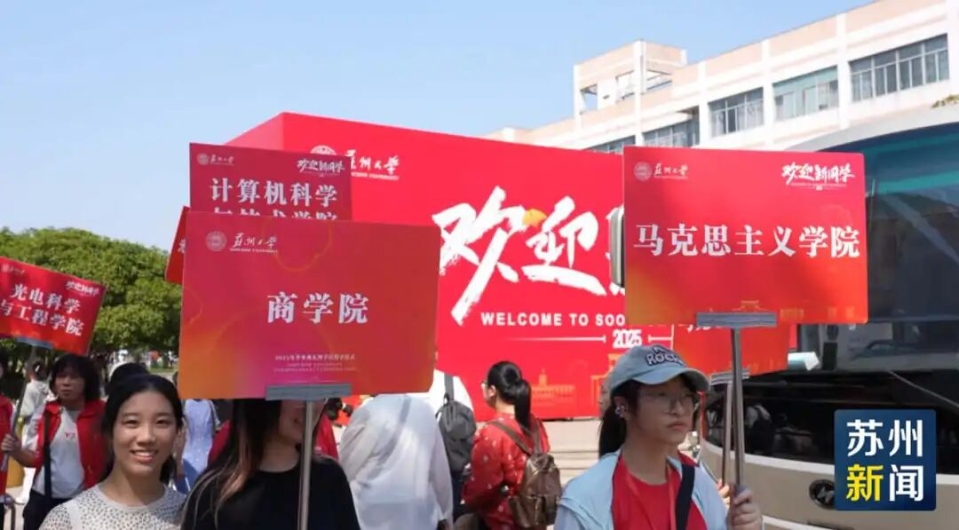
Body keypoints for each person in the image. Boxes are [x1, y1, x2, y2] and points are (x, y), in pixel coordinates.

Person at [557, 345, 763, 530]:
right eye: (662, 395)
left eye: (686, 396)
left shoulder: (698, 484)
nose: (679, 409)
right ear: (623, 406)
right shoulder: (586, 499)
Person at [182, 398, 361, 530]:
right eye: (296, 391)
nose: (311, 405)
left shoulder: (331, 479)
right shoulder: (212, 493)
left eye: (319, 392)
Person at [38, 374, 186, 528]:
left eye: (161, 422)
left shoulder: (192, 516)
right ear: (109, 431)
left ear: (178, 431)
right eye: (132, 422)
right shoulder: (66, 520)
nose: (147, 437)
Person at [2, 354, 107, 530]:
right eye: (61, 376)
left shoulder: (103, 415)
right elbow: (34, 460)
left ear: (87, 381)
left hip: (83, 502)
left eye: (74, 377)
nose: (66, 382)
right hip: (42, 500)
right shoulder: (45, 413)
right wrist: (16, 450)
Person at [339, 394, 454, 529]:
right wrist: (447, 516)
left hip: (371, 519)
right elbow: (440, 474)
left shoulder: (367, 413)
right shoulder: (425, 410)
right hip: (419, 519)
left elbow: (344, 471)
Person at [461, 361, 551, 529]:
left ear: (492, 390)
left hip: (504, 522)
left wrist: (464, 495)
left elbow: (482, 487)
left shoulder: (491, 433)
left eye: (484, 384)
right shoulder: (535, 423)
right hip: (534, 518)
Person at [170, 371, 218, 493]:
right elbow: (214, 430)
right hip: (204, 459)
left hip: (189, 460)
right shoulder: (208, 403)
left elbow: (179, 435)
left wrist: (178, 462)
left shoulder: (184, 405)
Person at [17, 360, 50, 505]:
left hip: (30, 428)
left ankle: (26, 493)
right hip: (45, 427)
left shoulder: (30, 388)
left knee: (29, 462)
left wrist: (17, 408)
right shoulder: (47, 387)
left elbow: (25, 411)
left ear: (29, 371)